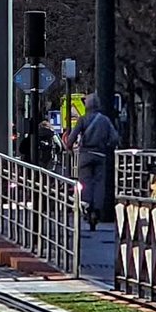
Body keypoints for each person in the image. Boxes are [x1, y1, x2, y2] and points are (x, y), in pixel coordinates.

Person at [66, 93, 119, 230]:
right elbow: (114, 138)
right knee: (99, 183)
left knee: (85, 181)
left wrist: (70, 148)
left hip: (85, 155)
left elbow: (72, 137)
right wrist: (106, 145)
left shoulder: (83, 119)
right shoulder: (105, 120)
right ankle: (97, 209)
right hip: (100, 154)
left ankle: (87, 205)